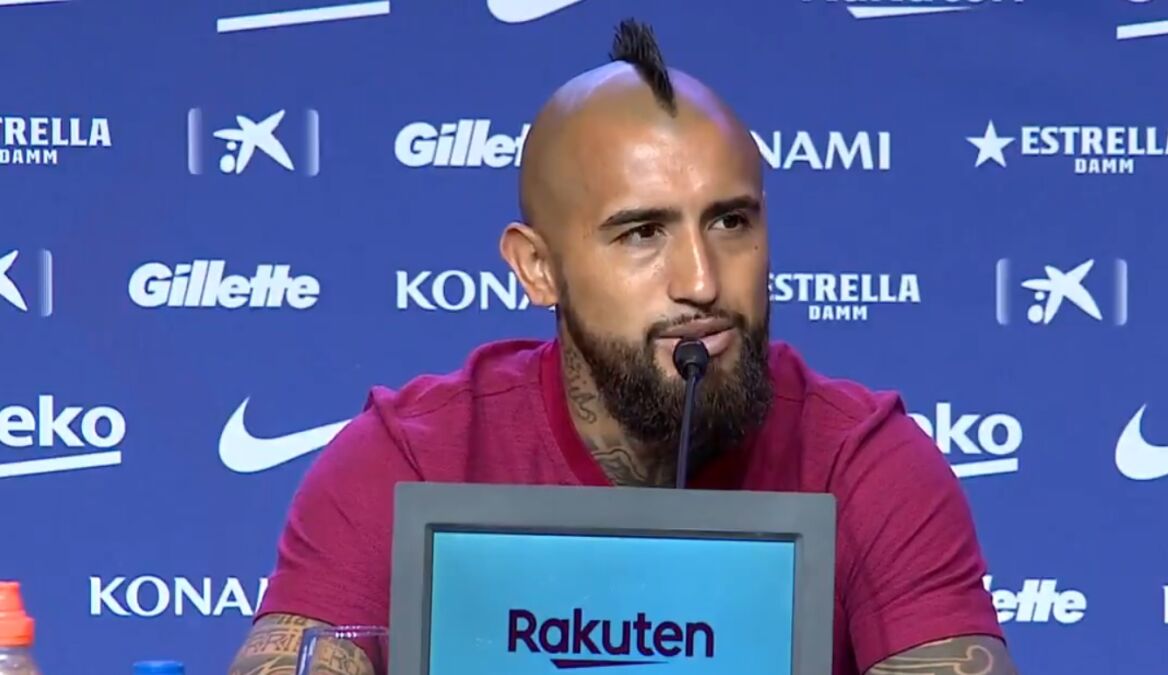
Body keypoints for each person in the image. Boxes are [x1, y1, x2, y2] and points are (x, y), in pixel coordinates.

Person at [227, 18, 1017, 675]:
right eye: (642, 232)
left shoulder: (865, 461)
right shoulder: (408, 459)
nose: (702, 280)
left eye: (731, 221)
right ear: (538, 268)